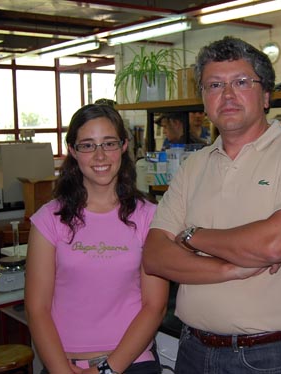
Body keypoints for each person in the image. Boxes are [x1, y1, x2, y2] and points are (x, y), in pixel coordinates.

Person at [143, 36, 281, 374]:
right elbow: (155, 256)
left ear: (266, 95)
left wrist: (191, 236)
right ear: (204, 99)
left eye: (241, 82)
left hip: (271, 356)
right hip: (193, 351)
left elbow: (274, 244)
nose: (227, 95)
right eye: (214, 85)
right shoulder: (193, 165)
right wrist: (231, 268)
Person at [25, 104, 168, 374]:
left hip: (131, 364)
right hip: (63, 365)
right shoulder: (49, 219)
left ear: (124, 146)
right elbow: (37, 308)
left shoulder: (150, 217)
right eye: (88, 145)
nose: (100, 156)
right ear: (72, 151)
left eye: (109, 143)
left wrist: (106, 370)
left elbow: (155, 306)